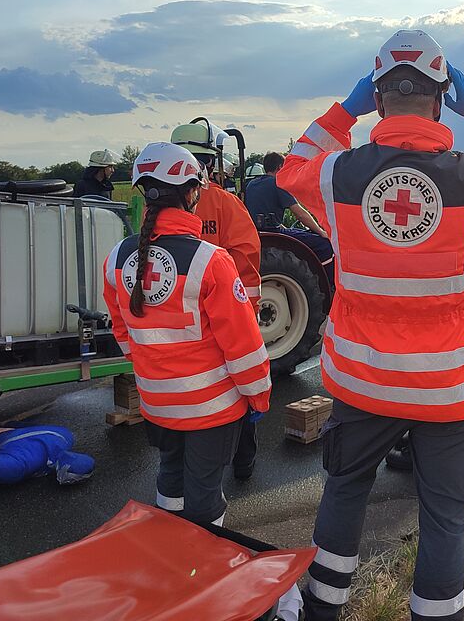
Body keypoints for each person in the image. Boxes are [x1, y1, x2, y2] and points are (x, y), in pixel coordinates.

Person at [277, 29, 464, 621]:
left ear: (378, 101)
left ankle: (323, 608)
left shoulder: (334, 176)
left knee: (345, 490)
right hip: (449, 386)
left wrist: (343, 110)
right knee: (443, 515)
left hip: (361, 380)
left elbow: (290, 167)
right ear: (440, 100)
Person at [102, 142, 271, 528]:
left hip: (157, 403)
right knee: (206, 494)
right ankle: (203, 571)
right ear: (192, 192)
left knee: (170, 477)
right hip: (211, 409)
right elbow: (243, 345)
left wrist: (155, 368)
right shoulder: (212, 260)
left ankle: (172, 555)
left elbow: (123, 333)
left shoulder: (115, 258)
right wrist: (258, 396)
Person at [171, 119, 264, 480]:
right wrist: (247, 320)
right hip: (223, 323)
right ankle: (242, 464)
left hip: (177, 328)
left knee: (189, 398)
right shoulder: (226, 204)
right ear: (209, 162)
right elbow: (247, 263)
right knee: (236, 394)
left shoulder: (155, 211)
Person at [245, 151, 335, 276]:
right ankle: (328, 285)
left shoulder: (251, 185)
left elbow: (261, 212)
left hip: (257, 233)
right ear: (280, 167)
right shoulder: (277, 183)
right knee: (323, 245)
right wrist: (321, 232)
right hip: (274, 232)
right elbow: (300, 214)